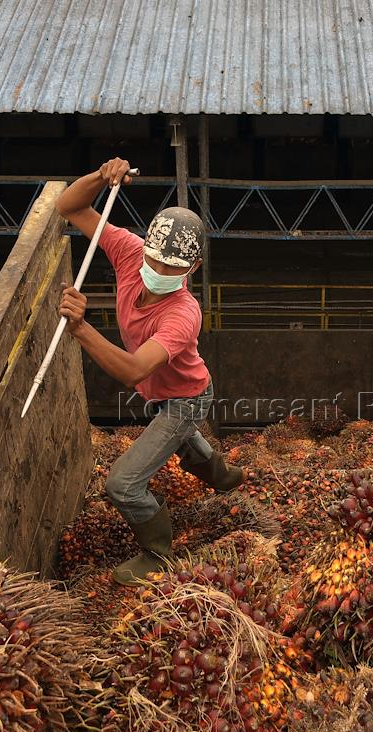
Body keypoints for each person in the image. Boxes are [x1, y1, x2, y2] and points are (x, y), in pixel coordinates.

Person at [55, 157, 243, 586]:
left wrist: (81, 329)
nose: (157, 272)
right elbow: (69, 206)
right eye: (154, 260)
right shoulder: (128, 250)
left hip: (187, 398)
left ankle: (158, 555)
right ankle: (227, 476)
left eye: (172, 269)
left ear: (191, 270)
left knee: (123, 484)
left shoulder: (183, 312)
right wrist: (100, 178)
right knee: (178, 438)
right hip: (161, 394)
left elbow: (134, 369)